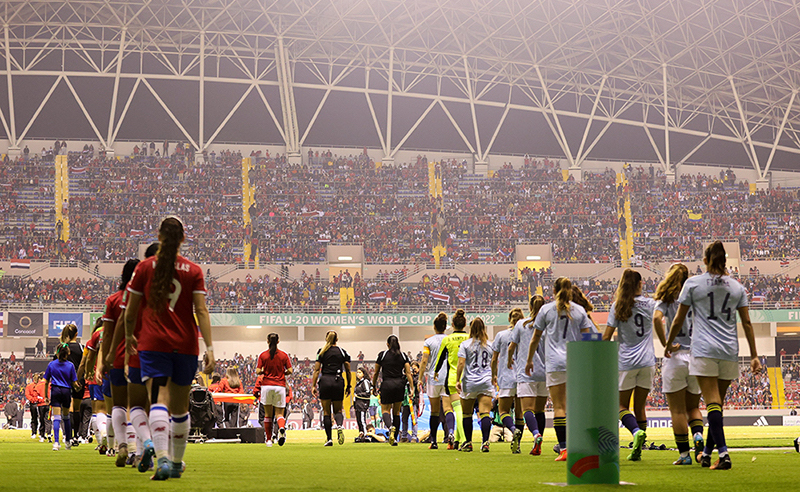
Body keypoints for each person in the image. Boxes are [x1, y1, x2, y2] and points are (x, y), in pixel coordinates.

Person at [124, 216, 215, 480]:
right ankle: (176, 463)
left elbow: (130, 312)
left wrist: (130, 336)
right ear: (183, 239)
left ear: (159, 237)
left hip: (153, 345)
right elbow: (201, 310)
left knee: (159, 401)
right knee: (180, 408)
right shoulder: (194, 271)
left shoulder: (144, 268)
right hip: (186, 346)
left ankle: (161, 458)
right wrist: (209, 346)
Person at [665, 241, 760, 470]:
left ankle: (724, 454)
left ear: (705, 260)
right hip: (729, 351)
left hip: (704, 350)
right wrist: (754, 355)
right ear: (724, 261)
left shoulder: (693, 283)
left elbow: (678, 319)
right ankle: (707, 453)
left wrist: (668, 343)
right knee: (716, 405)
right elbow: (747, 322)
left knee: (712, 403)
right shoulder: (737, 287)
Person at [526, 277, 593, 461]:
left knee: (559, 407)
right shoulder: (579, 310)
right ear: (570, 291)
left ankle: (564, 449)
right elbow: (588, 339)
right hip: (575, 363)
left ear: (554, 290)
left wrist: (529, 360)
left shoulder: (546, 310)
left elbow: (535, 337)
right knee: (575, 407)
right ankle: (579, 444)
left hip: (554, 363)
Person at [602, 269, 657, 462]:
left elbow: (606, 337)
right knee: (640, 406)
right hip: (648, 361)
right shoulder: (651, 304)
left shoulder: (618, 305)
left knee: (620, 405)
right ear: (640, 284)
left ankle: (635, 432)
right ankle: (638, 448)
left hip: (626, 362)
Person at [653, 263, 705, 465]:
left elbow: (657, 319)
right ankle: (698, 435)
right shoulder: (696, 297)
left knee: (677, 410)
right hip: (696, 356)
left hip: (676, 357)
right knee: (693, 407)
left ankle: (684, 455)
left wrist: (665, 343)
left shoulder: (666, 299)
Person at [97, 259, 139, 465]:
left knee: (119, 405)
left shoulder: (113, 300)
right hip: (142, 357)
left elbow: (107, 334)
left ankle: (121, 446)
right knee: (140, 406)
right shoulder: (147, 299)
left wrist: (106, 358)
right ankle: (137, 450)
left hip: (118, 357)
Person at [507, 297, 548, 455]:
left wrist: (510, 359)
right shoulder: (547, 325)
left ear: (530, 306)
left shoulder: (521, 324)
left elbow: (512, 346)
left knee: (527, 410)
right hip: (544, 372)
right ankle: (539, 442)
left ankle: (536, 434)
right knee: (540, 411)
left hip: (527, 371)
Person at [455, 318, 494, 452]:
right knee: (484, 413)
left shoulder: (465, 345)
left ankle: (468, 442)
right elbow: (494, 363)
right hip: (485, 381)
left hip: (470, 382)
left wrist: (457, 380)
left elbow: (461, 363)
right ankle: (485, 442)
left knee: (467, 413)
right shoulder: (490, 345)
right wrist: (495, 377)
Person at [434, 309, 470, 449]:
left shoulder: (447, 339)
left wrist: (436, 372)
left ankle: (464, 440)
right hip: (469, 379)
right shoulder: (469, 338)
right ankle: (458, 440)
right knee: (464, 411)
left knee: (458, 411)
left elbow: (440, 359)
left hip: (453, 379)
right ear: (465, 324)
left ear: (453, 324)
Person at [310, 330, 351, 446]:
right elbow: (348, 370)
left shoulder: (321, 352)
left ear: (326, 339)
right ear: (336, 339)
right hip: (338, 381)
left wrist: (313, 385)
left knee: (326, 412)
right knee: (338, 410)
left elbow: (317, 370)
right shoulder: (342, 352)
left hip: (325, 381)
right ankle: (339, 426)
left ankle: (329, 439)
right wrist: (348, 385)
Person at [372, 335, 415, 446]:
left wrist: (373, 386)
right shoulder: (403, 355)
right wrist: (412, 388)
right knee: (396, 412)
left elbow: (376, 372)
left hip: (387, 384)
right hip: (399, 385)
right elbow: (408, 373)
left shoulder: (382, 355)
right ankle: (394, 438)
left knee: (385, 410)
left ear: (387, 344)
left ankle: (390, 427)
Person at [491, 308, 524, 453]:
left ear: (509, 319)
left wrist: (493, 375)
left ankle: (512, 430)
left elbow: (494, 359)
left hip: (506, 376)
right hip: (522, 376)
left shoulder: (501, 335)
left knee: (503, 411)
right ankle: (518, 445)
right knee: (520, 413)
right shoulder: (525, 334)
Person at [255, 333, 292, 447]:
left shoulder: (263, 355)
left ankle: (269, 440)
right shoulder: (283, 355)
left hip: (266, 386)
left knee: (267, 414)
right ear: (278, 341)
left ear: (267, 341)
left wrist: (263, 372)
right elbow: (290, 370)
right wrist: (282, 373)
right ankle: (281, 428)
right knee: (279, 413)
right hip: (280, 386)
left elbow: (257, 371)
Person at [418, 312, 448, 449]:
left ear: (434, 327)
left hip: (433, 378)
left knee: (435, 412)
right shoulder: (450, 340)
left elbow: (424, 361)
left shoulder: (428, 342)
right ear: (445, 326)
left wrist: (420, 378)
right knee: (449, 410)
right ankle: (451, 436)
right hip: (449, 378)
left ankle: (434, 441)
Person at [78, 317, 108, 452]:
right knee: (115, 409)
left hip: (95, 378)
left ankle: (102, 441)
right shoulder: (115, 332)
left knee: (98, 411)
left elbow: (87, 359)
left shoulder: (95, 337)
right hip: (115, 373)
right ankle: (118, 443)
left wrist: (87, 373)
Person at [44, 344, 78, 450]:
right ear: (67, 353)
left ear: (57, 353)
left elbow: (45, 381)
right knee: (66, 417)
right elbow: (74, 382)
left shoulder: (51, 365)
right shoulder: (70, 365)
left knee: (57, 418)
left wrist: (46, 395)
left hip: (55, 391)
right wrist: (77, 387)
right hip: (66, 391)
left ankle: (56, 443)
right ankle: (68, 442)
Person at [59, 323, 85, 448]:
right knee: (77, 409)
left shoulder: (63, 347)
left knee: (68, 409)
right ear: (76, 334)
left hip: (65, 380)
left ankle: (67, 436)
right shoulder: (81, 347)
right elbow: (84, 363)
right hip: (79, 380)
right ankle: (76, 436)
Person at [400, 362, 421, 443]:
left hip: (413, 401)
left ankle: (414, 437)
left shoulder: (417, 378)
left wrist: (411, 377)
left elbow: (416, 384)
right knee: (404, 419)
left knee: (414, 419)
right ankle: (404, 436)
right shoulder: (404, 378)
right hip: (405, 401)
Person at [353, 368, 372, 441]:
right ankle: (361, 434)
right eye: (357, 372)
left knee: (362, 420)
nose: (358, 374)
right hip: (358, 404)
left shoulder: (365, 382)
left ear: (364, 374)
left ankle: (366, 435)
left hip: (362, 404)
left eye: (360, 372)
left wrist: (358, 395)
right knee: (359, 420)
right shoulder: (358, 383)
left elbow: (367, 393)